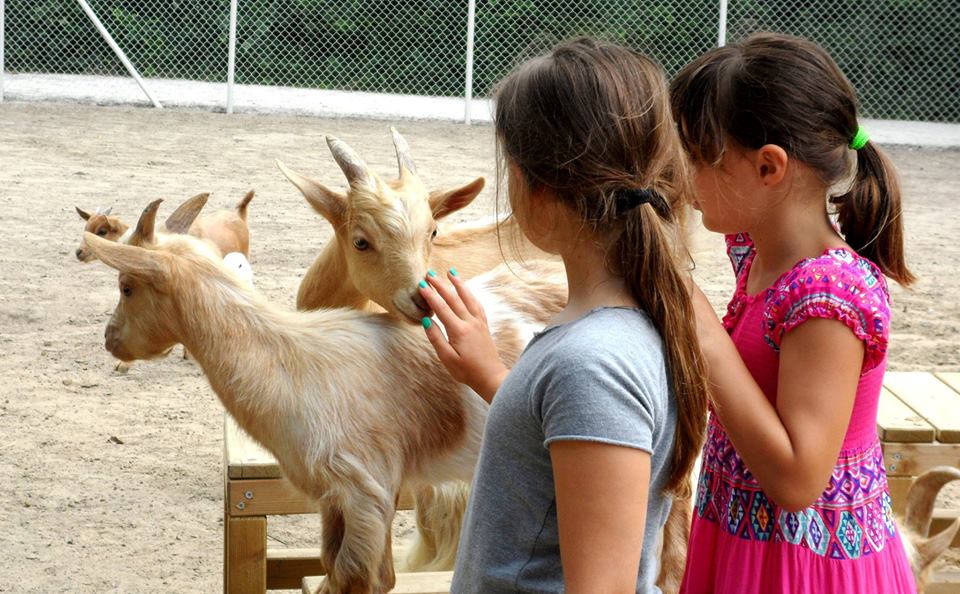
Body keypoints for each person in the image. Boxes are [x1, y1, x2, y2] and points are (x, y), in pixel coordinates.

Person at [416, 38, 708, 593]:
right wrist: (491, 376)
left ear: (536, 188)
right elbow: (570, 447)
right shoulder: (616, 332)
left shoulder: (592, 364)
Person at [670, 32, 917, 593]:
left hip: (804, 570)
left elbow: (798, 480)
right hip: (745, 549)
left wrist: (703, 336)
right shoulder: (757, 252)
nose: (682, 175)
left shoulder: (830, 294)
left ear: (768, 167)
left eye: (697, 157)